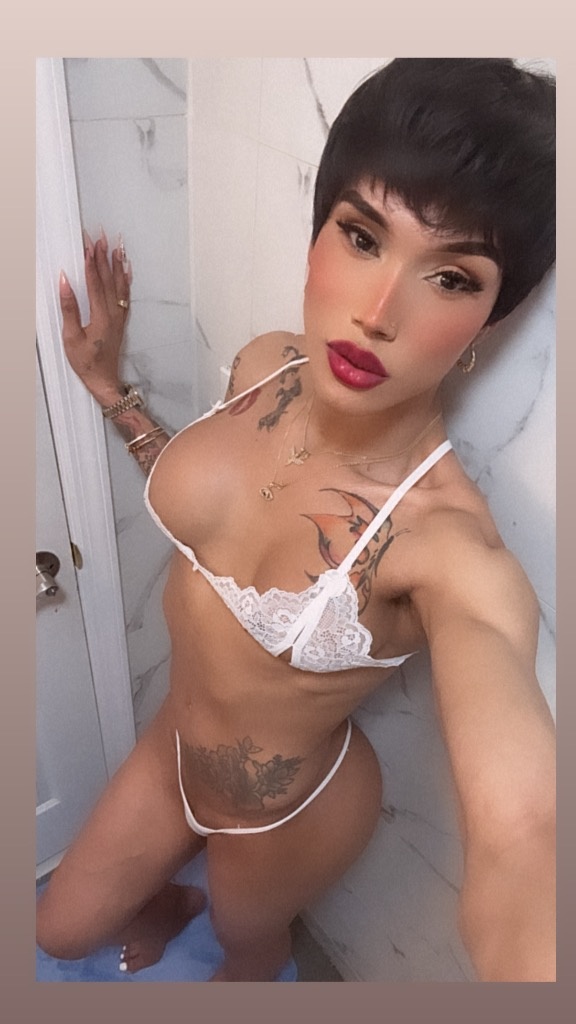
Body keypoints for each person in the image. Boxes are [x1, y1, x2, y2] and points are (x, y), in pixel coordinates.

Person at [36, 58, 556, 982]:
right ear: (318, 230)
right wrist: (112, 391)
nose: (377, 313)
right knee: (57, 932)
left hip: (286, 813)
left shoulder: (449, 549)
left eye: (450, 277)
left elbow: (525, 832)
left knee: (248, 955)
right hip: (171, 745)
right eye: (362, 236)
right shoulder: (265, 363)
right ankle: (171, 897)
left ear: (490, 320)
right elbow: (221, 504)